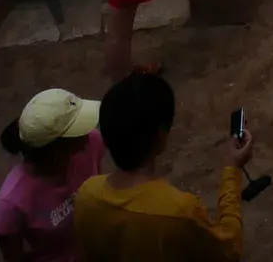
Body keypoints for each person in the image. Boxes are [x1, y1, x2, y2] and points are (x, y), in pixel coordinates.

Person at [74, 74, 253, 260]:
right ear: (160, 136)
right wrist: (232, 168)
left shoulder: (86, 195)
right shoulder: (176, 212)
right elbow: (229, 248)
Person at [0, 91, 103, 261]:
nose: (87, 133)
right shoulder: (11, 203)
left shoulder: (92, 143)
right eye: (77, 131)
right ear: (55, 148)